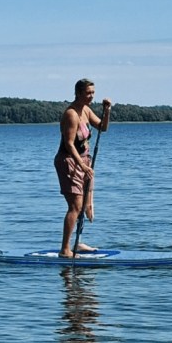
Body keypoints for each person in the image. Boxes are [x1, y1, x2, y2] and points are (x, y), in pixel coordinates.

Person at [54, 79, 112, 257]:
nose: (91, 96)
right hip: (69, 162)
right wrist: (82, 166)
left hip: (85, 161)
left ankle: (77, 243)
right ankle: (65, 249)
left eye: (93, 93)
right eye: (88, 93)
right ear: (78, 93)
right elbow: (69, 144)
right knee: (75, 206)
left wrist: (107, 111)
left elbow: (102, 127)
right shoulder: (71, 114)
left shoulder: (85, 109)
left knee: (86, 205)